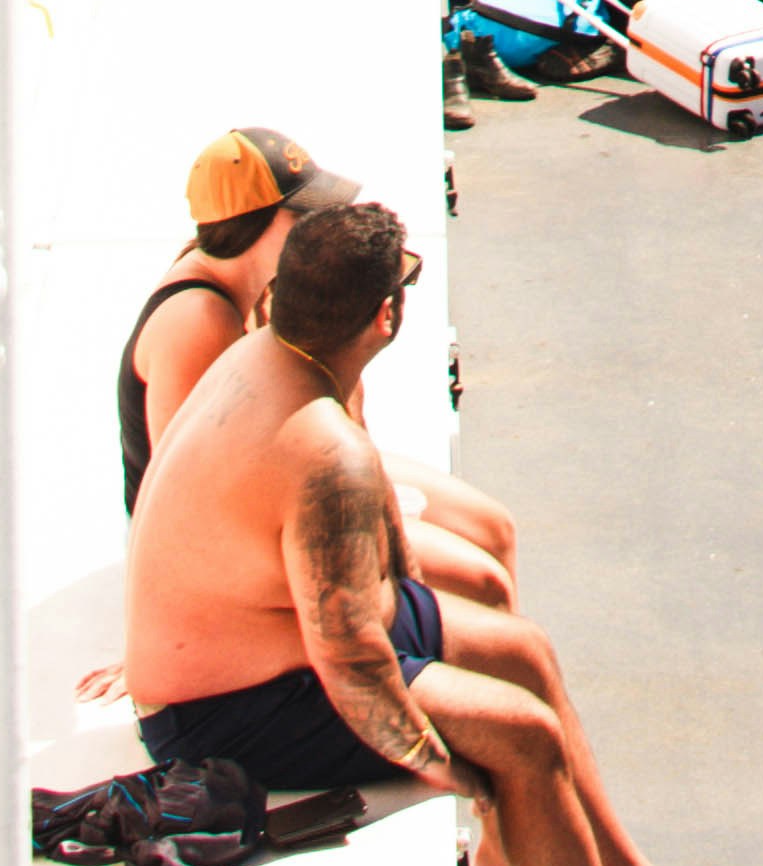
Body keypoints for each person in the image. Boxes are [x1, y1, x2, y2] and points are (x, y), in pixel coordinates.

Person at [123, 197, 763, 866]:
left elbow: (373, 576)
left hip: (279, 634)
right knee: (525, 740)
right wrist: (466, 779)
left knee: (526, 652)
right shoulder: (321, 453)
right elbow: (353, 666)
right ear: (387, 315)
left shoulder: (275, 354)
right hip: (220, 707)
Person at [113, 127, 524, 591]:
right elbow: (181, 493)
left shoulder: (257, 285)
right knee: (478, 579)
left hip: (277, 479)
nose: (317, 228)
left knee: (495, 528)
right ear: (255, 222)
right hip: (216, 544)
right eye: (303, 215)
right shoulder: (197, 320)